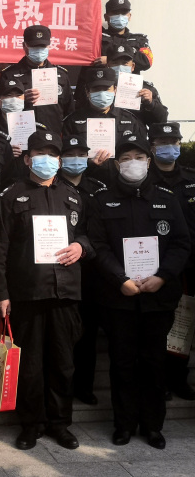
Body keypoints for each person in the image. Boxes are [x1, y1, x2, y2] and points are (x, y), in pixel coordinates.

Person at [89, 134, 190, 449]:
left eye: (139, 157)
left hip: (158, 298)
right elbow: (98, 245)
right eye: (126, 158)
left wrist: (163, 276)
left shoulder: (166, 198)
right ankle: (124, 424)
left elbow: (181, 243)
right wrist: (119, 278)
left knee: (154, 362)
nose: (133, 163)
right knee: (122, 362)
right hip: (118, 297)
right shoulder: (102, 199)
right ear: (117, 164)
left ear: (149, 161)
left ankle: (152, 426)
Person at [0, 129, 91, 451]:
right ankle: (30, 424)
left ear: (59, 161)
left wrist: (81, 246)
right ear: (26, 159)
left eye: (52, 154)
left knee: (63, 363)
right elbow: (1, 249)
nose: (46, 159)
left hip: (65, 293)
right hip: (28, 294)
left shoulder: (74, 196)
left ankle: (60, 424)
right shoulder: (11, 196)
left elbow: (89, 235)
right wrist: (1, 293)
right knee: (31, 365)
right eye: (39, 154)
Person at [57, 135, 108, 405]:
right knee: (62, 332)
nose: (76, 159)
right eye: (70, 154)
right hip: (59, 267)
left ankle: (84, 386)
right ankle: (61, 387)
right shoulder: (52, 185)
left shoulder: (98, 188)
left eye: (81, 155)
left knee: (87, 330)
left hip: (91, 270)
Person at [147, 122, 195, 401]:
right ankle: (159, 379)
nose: (170, 147)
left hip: (189, 266)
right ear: (152, 147)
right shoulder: (145, 179)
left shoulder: (191, 178)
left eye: (174, 142)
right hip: (157, 266)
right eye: (163, 142)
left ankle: (178, 377)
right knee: (159, 326)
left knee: (184, 322)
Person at [63, 67, 146, 185]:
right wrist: (88, 162)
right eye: (96, 89)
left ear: (115, 90)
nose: (101, 93)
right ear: (87, 91)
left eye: (106, 89)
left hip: (122, 183)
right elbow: (66, 153)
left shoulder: (129, 119)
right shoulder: (73, 120)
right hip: (86, 181)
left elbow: (140, 150)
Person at [0, 25, 74, 135]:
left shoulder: (60, 75)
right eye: (34, 46)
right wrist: (20, 99)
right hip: (20, 135)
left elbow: (69, 111)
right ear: (24, 46)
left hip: (52, 137)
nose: (38, 50)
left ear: (49, 46)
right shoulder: (9, 74)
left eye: (42, 46)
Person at [107, 44, 168, 126]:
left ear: (132, 66)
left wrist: (151, 104)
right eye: (115, 64)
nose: (120, 67)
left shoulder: (146, 89)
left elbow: (161, 121)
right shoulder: (99, 88)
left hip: (137, 133)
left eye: (125, 64)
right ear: (108, 66)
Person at [99, 0, 153, 74]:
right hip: (103, 80)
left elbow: (147, 62)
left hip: (130, 81)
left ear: (129, 16)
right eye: (115, 13)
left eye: (124, 13)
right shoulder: (97, 37)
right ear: (106, 17)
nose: (120, 17)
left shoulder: (139, 40)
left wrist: (109, 60)